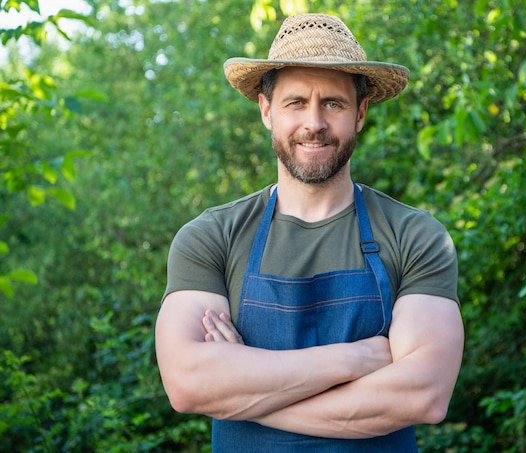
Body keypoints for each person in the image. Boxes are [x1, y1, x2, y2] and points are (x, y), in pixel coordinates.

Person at [155, 13, 464, 452]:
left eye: (333, 104)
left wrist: (244, 393)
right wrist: (357, 358)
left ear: (360, 113)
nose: (314, 122)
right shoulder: (212, 238)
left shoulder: (416, 236)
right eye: (295, 102)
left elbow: (424, 396)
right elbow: (188, 385)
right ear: (267, 111)